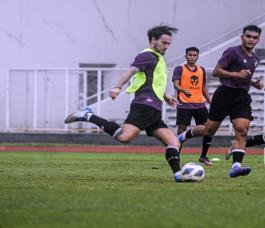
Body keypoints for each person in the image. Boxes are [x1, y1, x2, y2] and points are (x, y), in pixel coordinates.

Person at [64, 25, 191, 182]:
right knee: (124, 138)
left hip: (154, 108)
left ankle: (178, 175)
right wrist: (118, 87)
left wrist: (165, 96)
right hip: (144, 105)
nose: (166, 47)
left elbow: (151, 80)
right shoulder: (147, 56)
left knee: (174, 142)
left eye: (168, 44)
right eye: (164, 43)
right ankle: (88, 116)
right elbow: (131, 71)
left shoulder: (158, 59)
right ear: (153, 40)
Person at [178, 24, 264, 177]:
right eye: (248, 36)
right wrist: (235, 74)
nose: (251, 40)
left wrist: (253, 83)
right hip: (224, 94)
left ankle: (236, 166)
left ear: (259, 39)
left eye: (254, 37)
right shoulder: (232, 52)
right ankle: (183, 136)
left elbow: (245, 77)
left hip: (242, 97)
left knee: (242, 131)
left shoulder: (256, 59)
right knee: (208, 130)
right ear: (242, 37)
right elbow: (217, 71)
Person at [172, 47, 212, 166]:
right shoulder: (179, 68)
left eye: (195, 55)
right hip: (184, 104)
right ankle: (175, 157)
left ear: (198, 57)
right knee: (181, 130)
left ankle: (203, 157)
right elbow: (175, 85)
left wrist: (210, 101)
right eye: (190, 55)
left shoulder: (201, 70)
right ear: (186, 56)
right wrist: (184, 90)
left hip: (199, 104)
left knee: (209, 129)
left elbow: (203, 87)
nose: (192, 57)